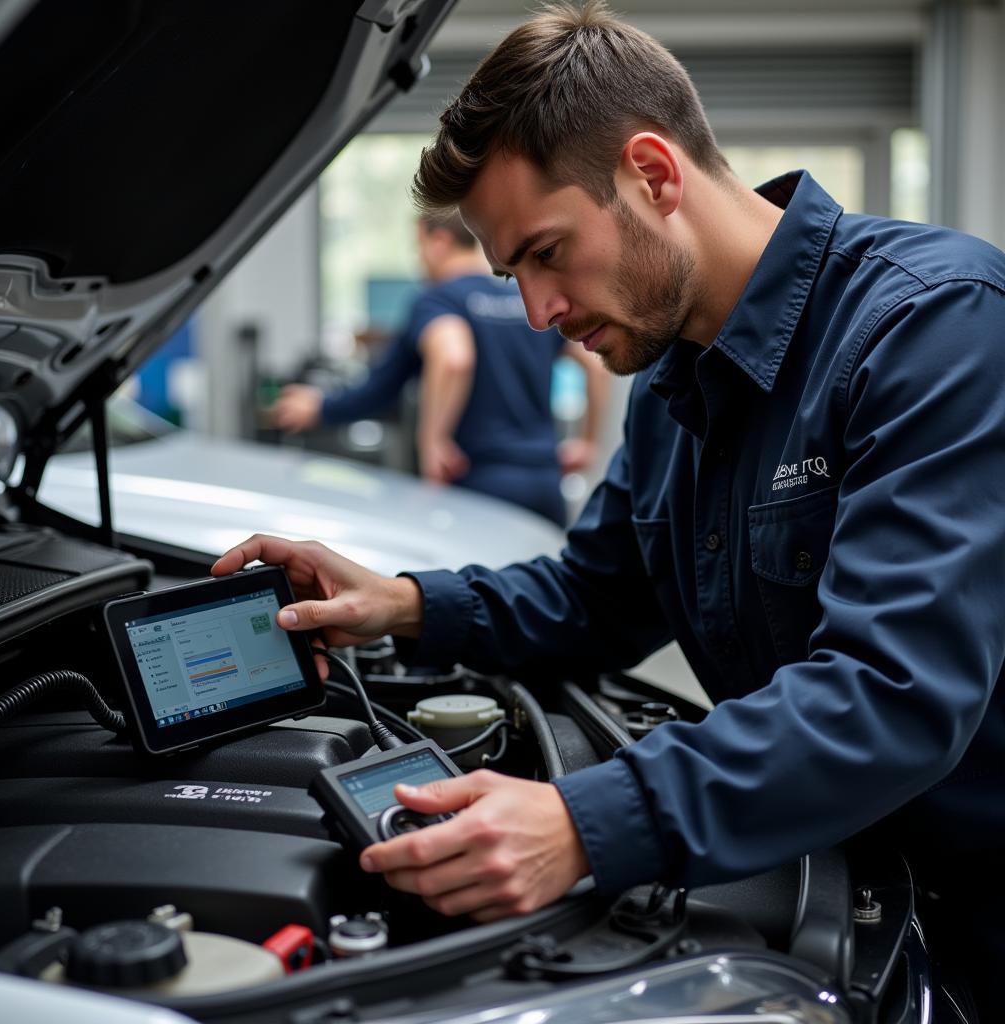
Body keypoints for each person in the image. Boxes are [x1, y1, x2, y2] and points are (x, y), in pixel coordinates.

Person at [215, 2, 1005, 1009]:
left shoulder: (930, 326)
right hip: (846, 883)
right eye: (513, 273)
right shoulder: (673, 387)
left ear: (653, 172)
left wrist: (588, 822)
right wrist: (402, 603)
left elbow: (893, 691)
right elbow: (592, 599)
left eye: (547, 252)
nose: (539, 312)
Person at [271, 211, 608, 527]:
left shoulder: (438, 299)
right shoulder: (524, 298)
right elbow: (595, 366)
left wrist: (432, 442)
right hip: (545, 483)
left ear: (440, 242)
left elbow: (453, 357)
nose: (419, 260)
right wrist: (588, 442)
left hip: (479, 484)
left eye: (418, 248)